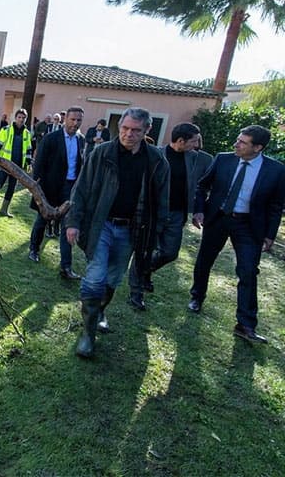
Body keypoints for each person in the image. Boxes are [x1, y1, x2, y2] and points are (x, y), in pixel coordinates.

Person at [65, 107, 169, 359]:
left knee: (112, 278)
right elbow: (82, 188)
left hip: (132, 229)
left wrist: (156, 235)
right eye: (124, 128)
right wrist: (73, 221)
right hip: (101, 224)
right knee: (95, 276)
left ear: (147, 130)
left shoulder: (156, 161)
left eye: (135, 130)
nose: (128, 134)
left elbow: (161, 202)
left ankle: (100, 311)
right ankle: (88, 334)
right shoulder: (102, 153)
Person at [188, 125, 285, 344]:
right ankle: (197, 297)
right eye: (238, 139)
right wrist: (200, 209)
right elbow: (202, 186)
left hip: (249, 226)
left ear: (258, 147)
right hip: (218, 218)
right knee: (204, 261)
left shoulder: (276, 170)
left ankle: (246, 324)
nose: (236, 144)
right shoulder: (223, 159)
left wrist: (270, 235)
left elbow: (276, 205)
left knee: (249, 271)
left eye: (243, 142)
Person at [127, 123, 206, 310]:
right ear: (181, 141)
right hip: (153, 213)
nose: (196, 145)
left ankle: (147, 270)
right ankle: (136, 292)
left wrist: (197, 210)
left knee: (170, 252)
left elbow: (201, 186)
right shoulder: (156, 155)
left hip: (177, 214)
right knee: (144, 251)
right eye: (194, 141)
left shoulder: (195, 159)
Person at [28, 106, 86, 280]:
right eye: (73, 119)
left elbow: (80, 164)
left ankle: (66, 267)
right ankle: (33, 249)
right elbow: (39, 164)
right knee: (42, 219)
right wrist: (37, 189)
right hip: (49, 187)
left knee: (67, 226)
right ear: (65, 119)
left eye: (79, 120)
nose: (75, 123)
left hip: (70, 188)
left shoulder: (81, 140)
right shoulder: (51, 139)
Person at [0, 108, 33, 218]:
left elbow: (29, 149)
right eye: (19, 117)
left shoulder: (27, 133)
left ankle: (4, 210)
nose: (21, 120)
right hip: (5, 164)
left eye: (23, 118)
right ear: (15, 118)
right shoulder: (6, 129)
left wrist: (28, 163)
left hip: (18, 167)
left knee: (11, 188)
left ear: (26, 119)